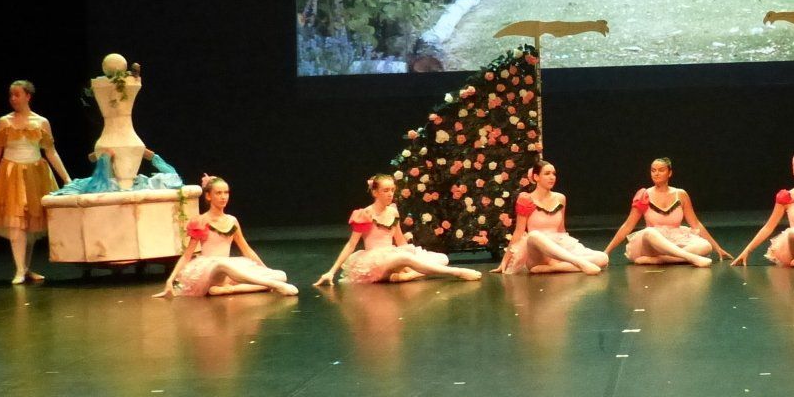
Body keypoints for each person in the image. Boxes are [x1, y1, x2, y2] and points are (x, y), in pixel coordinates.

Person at [0, 80, 74, 285]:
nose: (13, 99)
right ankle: (19, 270)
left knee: (31, 224)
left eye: (17, 95)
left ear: (28, 96)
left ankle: (26, 267)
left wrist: (66, 178)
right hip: (11, 174)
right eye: (11, 95)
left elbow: (51, 152)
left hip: (35, 174)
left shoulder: (41, 122)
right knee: (16, 222)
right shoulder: (4, 122)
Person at [316, 175, 482, 286]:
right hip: (375, 261)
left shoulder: (393, 212)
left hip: (393, 256)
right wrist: (331, 272)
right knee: (404, 258)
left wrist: (412, 256)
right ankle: (457, 272)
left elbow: (400, 240)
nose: (390, 194)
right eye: (385, 191)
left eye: (392, 190)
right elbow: (351, 245)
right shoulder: (365, 214)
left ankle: (404, 276)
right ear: (375, 192)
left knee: (442, 258)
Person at [158, 176, 301, 298]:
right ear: (208, 196)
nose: (223, 196)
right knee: (221, 264)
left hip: (229, 272)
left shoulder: (232, 220)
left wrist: (266, 270)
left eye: (226, 192)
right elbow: (187, 255)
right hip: (210, 271)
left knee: (281, 275)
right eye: (218, 193)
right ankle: (273, 285)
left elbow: (246, 249)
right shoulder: (200, 221)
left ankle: (230, 290)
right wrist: (170, 280)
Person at [602, 158, 732, 267]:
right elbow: (628, 225)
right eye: (653, 170)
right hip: (653, 243)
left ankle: (661, 260)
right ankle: (690, 258)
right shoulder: (644, 194)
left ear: (670, 173)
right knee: (649, 232)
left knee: (706, 246)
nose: (656, 173)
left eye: (661, 170)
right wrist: (606, 252)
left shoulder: (681, 194)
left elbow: (695, 224)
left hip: (676, 240)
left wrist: (717, 247)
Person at [496, 161, 609, 275]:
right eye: (547, 174)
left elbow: (561, 230)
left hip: (558, 247)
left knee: (603, 258)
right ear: (536, 177)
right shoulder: (526, 199)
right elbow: (519, 231)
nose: (552, 177)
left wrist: (568, 248)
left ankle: (553, 268)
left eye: (554, 174)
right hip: (538, 251)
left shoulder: (560, 198)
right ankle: (579, 263)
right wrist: (505, 260)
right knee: (533, 235)